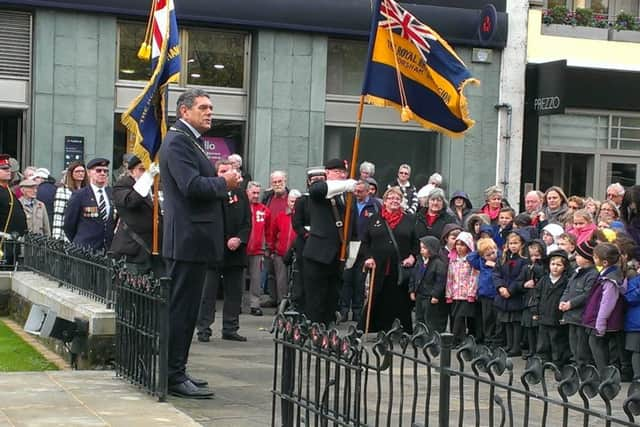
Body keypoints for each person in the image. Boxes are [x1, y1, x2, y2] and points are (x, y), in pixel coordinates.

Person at [159, 88, 239, 399]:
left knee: (187, 310)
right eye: (203, 107)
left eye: (211, 107)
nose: (209, 112)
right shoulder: (179, 140)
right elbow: (190, 186)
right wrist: (224, 183)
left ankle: (177, 369)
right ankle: (172, 375)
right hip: (188, 241)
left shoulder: (189, 139)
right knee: (182, 310)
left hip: (194, 240)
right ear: (184, 111)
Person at [196, 159, 250, 343]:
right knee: (207, 294)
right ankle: (204, 329)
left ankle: (230, 328)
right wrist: (224, 239)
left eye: (230, 171)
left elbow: (247, 223)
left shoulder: (241, 194)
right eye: (223, 171)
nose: (227, 174)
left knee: (234, 293)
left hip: (236, 252)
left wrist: (240, 239)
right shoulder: (210, 194)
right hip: (214, 251)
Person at [302, 158, 356, 325]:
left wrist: (351, 253)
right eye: (337, 172)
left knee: (331, 300)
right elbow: (317, 190)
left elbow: (351, 224)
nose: (341, 175)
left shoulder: (345, 197)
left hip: (337, 255)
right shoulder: (321, 188)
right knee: (315, 300)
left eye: (343, 172)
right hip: (319, 254)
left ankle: (325, 333)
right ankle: (313, 332)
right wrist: (347, 184)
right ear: (328, 173)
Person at [361, 187, 417, 333]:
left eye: (398, 198)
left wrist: (413, 257)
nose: (394, 201)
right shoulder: (375, 219)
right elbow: (365, 242)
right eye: (391, 198)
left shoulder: (409, 219)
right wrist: (368, 257)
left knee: (399, 299)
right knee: (377, 297)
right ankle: (374, 328)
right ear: (384, 201)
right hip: (379, 267)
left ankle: (402, 330)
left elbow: (416, 243)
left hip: (399, 268)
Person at [110, 155, 161, 275]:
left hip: (156, 251)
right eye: (142, 169)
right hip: (133, 251)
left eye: (148, 169)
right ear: (131, 172)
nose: (145, 172)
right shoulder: (122, 186)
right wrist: (148, 177)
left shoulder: (156, 185)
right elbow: (131, 201)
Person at [338, 180, 380, 323]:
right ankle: (343, 310)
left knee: (360, 280)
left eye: (360, 191)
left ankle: (357, 311)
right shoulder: (349, 204)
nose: (357, 194)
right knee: (347, 278)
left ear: (368, 191)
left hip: (366, 246)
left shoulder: (374, 206)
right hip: (350, 244)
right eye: (355, 191)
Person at [582, 242, 626, 374]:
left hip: (603, 320)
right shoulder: (609, 273)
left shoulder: (610, 279)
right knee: (596, 344)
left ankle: (604, 375)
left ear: (605, 262)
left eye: (595, 257)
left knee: (596, 345)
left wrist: (600, 324)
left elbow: (607, 303)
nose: (593, 259)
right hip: (599, 319)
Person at [292, 167, 326, 314]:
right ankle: (303, 307)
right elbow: (296, 224)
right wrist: (308, 235)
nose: (318, 184)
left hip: (323, 245)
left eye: (321, 181)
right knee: (305, 276)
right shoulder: (302, 201)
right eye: (314, 181)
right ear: (308, 182)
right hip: (305, 243)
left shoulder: (329, 202)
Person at [559, 240, 598, 368]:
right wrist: (563, 301)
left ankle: (581, 366)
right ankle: (575, 362)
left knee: (581, 345)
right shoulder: (576, 271)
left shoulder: (592, 274)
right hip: (571, 315)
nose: (575, 257)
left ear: (587, 258)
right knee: (573, 342)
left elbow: (587, 295)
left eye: (578, 255)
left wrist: (571, 303)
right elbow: (568, 288)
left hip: (581, 316)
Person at [63, 158, 114, 252]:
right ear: (89, 173)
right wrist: (80, 242)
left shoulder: (111, 194)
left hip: (106, 250)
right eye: (98, 170)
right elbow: (68, 225)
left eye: (105, 171)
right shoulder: (80, 195)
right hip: (85, 250)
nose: (102, 173)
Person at [493, 231, 528, 356]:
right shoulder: (503, 258)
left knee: (515, 322)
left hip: (516, 295)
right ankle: (509, 344)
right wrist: (500, 287)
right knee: (506, 321)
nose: (513, 246)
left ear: (521, 244)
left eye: (516, 243)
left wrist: (511, 290)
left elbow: (521, 278)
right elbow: (496, 273)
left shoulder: (524, 260)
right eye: (511, 243)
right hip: (504, 294)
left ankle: (516, 346)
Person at [535, 250, 571, 365]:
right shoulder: (544, 280)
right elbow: (536, 295)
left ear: (564, 267)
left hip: (557, 317)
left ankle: (557, 361)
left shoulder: (566, 281)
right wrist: (535, 311)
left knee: (557, 340)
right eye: (553, 264)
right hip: (544, 315)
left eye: (559, 265)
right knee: (543, 341)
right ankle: (542, 359)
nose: (555, 267)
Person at [445, 231, 479, 345]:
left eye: (462, 245)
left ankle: (454, 339)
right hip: (455, 293)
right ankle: (460, 339)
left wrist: (471, 293)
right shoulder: (453, 259)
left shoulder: (471, 260)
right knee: (455, 316)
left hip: (466, 294)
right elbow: (450, 277)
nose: (459, 247)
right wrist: (448, 294)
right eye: (458, 244)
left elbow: (474, 276)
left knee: (461, 317)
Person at [261, 170, 289, 307]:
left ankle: (282, 302)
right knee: (270, 271)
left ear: (285, 181)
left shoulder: (292, 197)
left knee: (282, 275)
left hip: (283, 240)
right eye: (275, 182)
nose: (277, 184)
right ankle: (272, 297)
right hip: (268, 238)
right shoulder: (267, 197)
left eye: (280, 181)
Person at [409, 236, 447, 333]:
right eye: (421, 248)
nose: (422, 250)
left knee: (429, 318)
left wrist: (435, 295)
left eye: (425, 248)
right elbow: (413, 276)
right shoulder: (419, 261)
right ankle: (419, 337)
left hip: (430, 296)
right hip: (420, 294)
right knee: (419, 317)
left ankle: (430, 337)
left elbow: (440, 281)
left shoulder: (438, 263)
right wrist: (412, 290)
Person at [246, 181, 272, 315]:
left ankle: (254, 304)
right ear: (247, 192)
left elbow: (268, 230)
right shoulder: (241, 207)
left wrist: (267, 246)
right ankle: (236, 304)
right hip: (242, 248)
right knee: (238, 278)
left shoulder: (264, 210)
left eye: (258, 193)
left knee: (256, 278)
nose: (256, 195)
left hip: (257, 249)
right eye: (253, 192)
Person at [469, 237, 500, 347]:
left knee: (496, 318)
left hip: (497, 294)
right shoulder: (481, 262)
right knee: (487, 318)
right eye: (488, 255)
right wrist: (480, 249)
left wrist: (495, 263)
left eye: (493, 253)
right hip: (485, 294)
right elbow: (470, 257)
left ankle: (496, 340)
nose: (492, 256)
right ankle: (488, 338)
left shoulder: (499, 260)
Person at [521, 240, 545, 358]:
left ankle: (538, 351)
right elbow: (519, 282)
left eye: (537, 255)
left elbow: (542, 276)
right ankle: (531, 349)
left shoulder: (543, 267)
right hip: (528, 301)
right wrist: (524, 284)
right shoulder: (526, 268)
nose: (534, 258)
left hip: (538, 301)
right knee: (528, 327)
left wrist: (535, 279)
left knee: (537, 328)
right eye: (532, 256)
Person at [52, 161, 87, 241]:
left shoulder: (87, 191)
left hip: (84, 235)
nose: (80, 173)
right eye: (77, 171)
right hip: (67, 235)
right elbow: (58, 215)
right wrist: (56, 238)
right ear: (71, 173)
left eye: (82, 171)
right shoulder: (63, 190)